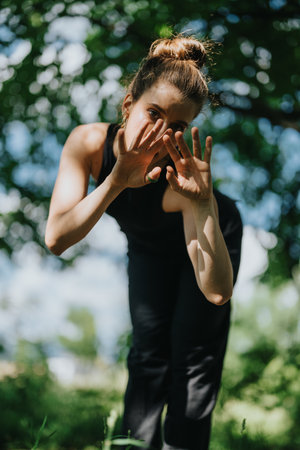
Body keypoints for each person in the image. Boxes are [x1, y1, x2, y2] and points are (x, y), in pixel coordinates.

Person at [45, 34, 243, 450]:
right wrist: (116, 180)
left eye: (177, 126)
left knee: (193, 356)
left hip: (211, 234)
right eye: (153, 112)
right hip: (148, 248)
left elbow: (217, 292)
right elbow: (57, 238)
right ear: (128, 104)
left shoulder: (179, 177)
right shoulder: (89, 144)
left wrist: (204, 204)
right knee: (147, 354)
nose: (161, 133)